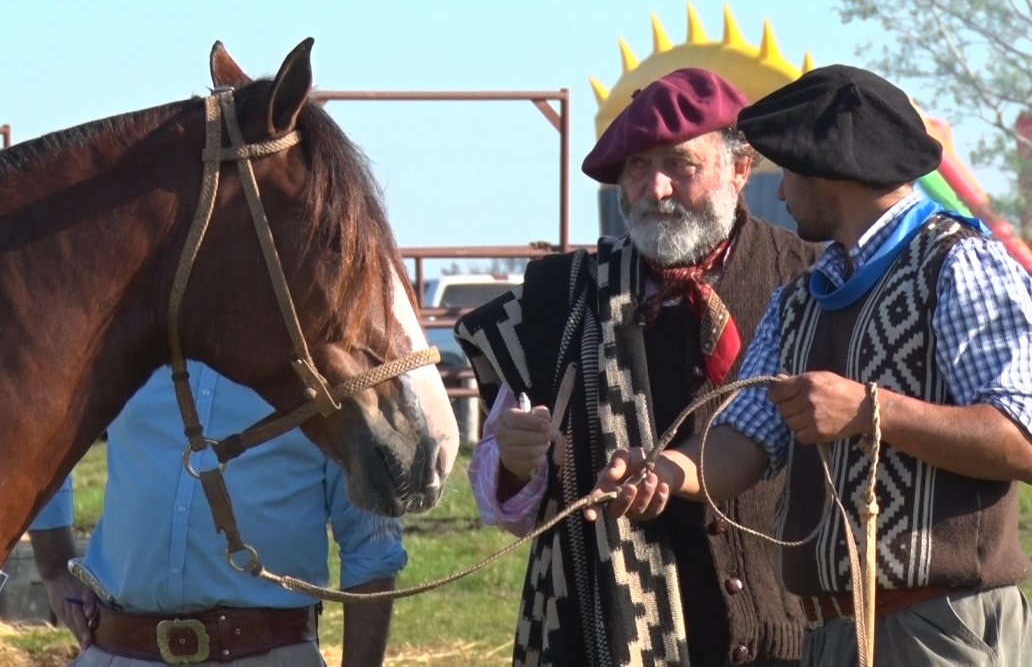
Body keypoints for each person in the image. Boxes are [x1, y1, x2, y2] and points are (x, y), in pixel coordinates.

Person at [589, 64, 1032, 666]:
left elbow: (1022, 437)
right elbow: (740, 442)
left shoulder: (960, 265)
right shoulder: (802, 297)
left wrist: (870, 410)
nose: (784, 190)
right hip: (825, 634)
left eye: (790, 168)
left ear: (830, 171)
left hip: (938, 625)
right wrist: (662, 471)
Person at [455, 68, 823, 666]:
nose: (654, 188)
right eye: (635, 166)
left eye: (680, 164)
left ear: (739, 168)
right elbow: (505, 493)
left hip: (793, 640)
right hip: (599, 639)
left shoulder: (813, 282)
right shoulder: (558, 298)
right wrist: (516, 463)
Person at [29, 360, 406, 667]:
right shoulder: (131, 334)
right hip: (119, 650)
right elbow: (44, 425)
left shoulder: (325, 371)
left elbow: (371, 550)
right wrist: (54, 565)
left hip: (269, 656)